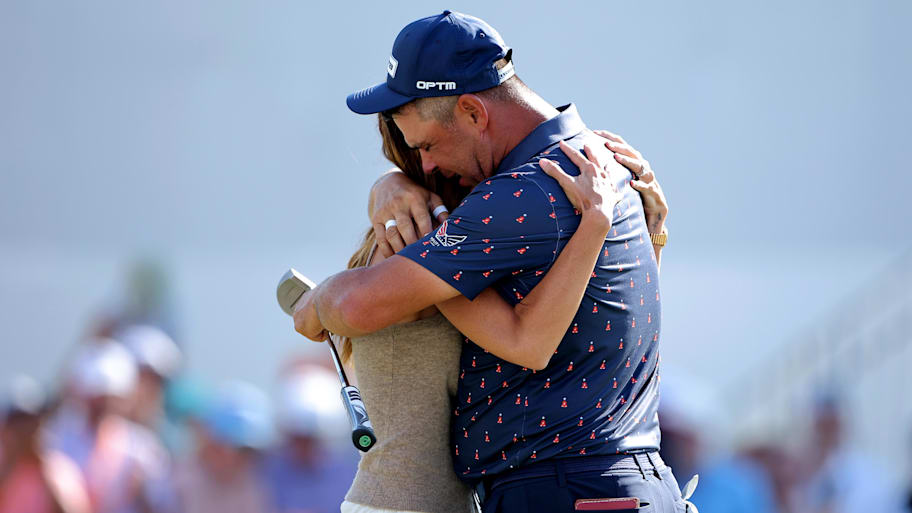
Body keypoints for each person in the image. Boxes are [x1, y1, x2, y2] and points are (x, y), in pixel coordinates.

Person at [294, 10, 683, 513]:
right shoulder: (597, 162)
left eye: (428, 145)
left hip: (565, 489)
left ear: (475, 113)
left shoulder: (523, 193)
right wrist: (388, 187)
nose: (428, 164)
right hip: (619, 483)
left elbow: (357, 305)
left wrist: (312, 305)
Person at [0, 375, 90, 513]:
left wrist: (45, 470)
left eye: (36, 421)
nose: (32, 429)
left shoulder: (59, 470)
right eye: (23, 422)